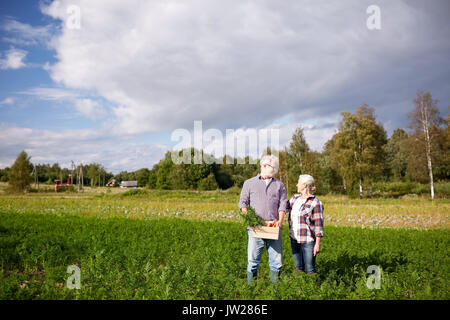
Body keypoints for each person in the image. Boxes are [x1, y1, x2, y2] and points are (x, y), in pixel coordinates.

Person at [238, 155, 287, 284]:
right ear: (264, 166)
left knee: (276, 261)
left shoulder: (279, 185)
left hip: (273, 227)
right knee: (253, 261)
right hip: (255, 228)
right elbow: (243, 204)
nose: (275, 170)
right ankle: (250, 291)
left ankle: (275, 291)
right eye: (273, 167)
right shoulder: (249, 183)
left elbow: (283, 205)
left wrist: (280, 221)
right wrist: (252, 220)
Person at [286, 174, 324, 274]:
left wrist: (317, 244)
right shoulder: (294, 199)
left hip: (308, 241)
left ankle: (311, 288)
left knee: (310, 269)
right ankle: (300, 289)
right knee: (298, 268)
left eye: (298, 183)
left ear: (305, 185)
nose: (296, 185)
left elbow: (318, 225)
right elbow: (282, 208)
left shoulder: (315, 203)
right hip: (294, 239)